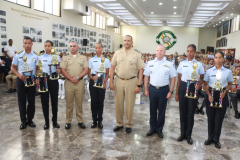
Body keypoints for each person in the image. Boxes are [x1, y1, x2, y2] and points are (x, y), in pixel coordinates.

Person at [110, 35, 145, 133]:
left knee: (130, 104)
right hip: (119, 80)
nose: (126, 42)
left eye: (128, 41)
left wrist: (139, 85)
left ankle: (128, 124)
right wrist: (111, 81)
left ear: (132, 42)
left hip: (132, 81)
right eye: (125, 40)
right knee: (118, 104)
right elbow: (112, 67)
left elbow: (141, 70)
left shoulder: (137, 54)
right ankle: (119, 124)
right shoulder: (117, 53)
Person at [144, 44, 176, 138]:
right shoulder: (150, 63)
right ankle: (152, 128)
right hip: (153, 89)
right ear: (155, 51)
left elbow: (173, 78)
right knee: (152, 110)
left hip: (164, 90)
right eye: (158, 50)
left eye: (161, 50)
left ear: (165, 52)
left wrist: (171, 91)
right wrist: (145, 89)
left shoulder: (169, 64)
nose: (159, 52)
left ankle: (159, 129)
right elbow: (146, 76)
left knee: (162, 111)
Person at [175, 44, 204, 144]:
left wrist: (199, 85)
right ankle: (182, 134)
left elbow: (202, 78)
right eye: (188, 51)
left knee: (191, 112)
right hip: (183, 86)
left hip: (193, 87)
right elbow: (179, 79)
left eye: (191, 51)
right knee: (182, 111)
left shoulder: (199, 64)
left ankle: (189, 135)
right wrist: (177, 93)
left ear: (195, 52)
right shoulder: (182, 63)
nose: (189, 53)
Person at [203, 51, 233, 149]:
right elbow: (205, 84)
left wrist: (225, 92)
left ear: (223, 59)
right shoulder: (209, 71)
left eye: (220, 57)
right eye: (216, 57)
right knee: (210, 118)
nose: (218, 59)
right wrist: (208, 94)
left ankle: (217, 139)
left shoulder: (228, 71)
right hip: (211, 94)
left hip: (222, 95)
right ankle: (210, 137)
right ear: (214, 59)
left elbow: (229, 84)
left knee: (219, 119)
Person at [11, 36, 39, 130]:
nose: (27, 45)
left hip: (31, 80)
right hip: (21, 80)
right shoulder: (17, 55)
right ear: (23, 44)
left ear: (32, 44)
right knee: (22, 101)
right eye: (25, 43)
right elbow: (13, 68)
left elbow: (38, 68)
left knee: (31, 101)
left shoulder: (36, 55)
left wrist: (37, 77)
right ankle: (23, 121)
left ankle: (30, 120)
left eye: (29, 43)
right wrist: (19, 76)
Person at [60, 41, 88, 129]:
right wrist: (71, 78)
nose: (72, 48)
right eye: (71, 46)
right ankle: (68, 121)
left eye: (74, 46)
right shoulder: (65, 57)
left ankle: (80, 121)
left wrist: (77, 78)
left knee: (79, 103)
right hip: (69, 83)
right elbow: (63, 70)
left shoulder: (83, 57)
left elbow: (86, 69)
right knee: (69, 103)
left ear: (78, 47)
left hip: (79, 83)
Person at [37, 40, 61, 130]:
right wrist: (37, 78)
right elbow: (38, 69)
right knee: (44, 102)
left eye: (49, 46)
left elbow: (60, 69)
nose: (47, 47)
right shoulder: (40, 57)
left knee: (54, 101)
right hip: (43, 79)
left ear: (52, 47)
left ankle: (55, 121)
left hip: (53, 80)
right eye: (46, 45)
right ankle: (46, 122)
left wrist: (59, 70)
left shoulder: (57, 57)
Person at [88, 43, 110, 129]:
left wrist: (104, 83)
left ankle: (100, 121)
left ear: (102, 48)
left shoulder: (106, 60)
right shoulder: (91, 60)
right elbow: (88, 72)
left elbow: (107, 73)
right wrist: (91, 78)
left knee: (100, 102)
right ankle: (94, 121)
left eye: (99, 48)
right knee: (93, 102)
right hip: (93, 81)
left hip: (102, 81)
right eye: (96, 48)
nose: (97, 49)